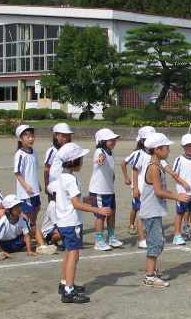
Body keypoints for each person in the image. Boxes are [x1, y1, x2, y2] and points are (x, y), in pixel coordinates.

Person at [56, 142, 113, 303]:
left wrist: (87, 200)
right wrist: (98, 210)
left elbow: (71, 200)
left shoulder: (62, 177)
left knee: (69, 253)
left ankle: (64, 283)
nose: (82, 161)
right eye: (80, 158)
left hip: (63, 221)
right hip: (72, 222)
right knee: (74, 255)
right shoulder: (71, 180)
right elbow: (76, 204)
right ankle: (69, 290)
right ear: (73, 161)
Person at [139, 133, 191, 288]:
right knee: (156, 242)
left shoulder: (158, 165)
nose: (168, 150)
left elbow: (163, 186)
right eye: (166, 147)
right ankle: (150, 276)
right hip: (151, 211)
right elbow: (158, 191)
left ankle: (152, 271)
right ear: (157, 150)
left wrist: (176, 192)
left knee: (157, 241)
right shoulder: (154, 168)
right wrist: (177, 196)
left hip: (154, 210)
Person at [14, 125, 49, 249]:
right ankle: (29, 238)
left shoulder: (33, 152)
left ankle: (32, 231)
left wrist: (37, 184)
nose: (31, 139)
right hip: (25, 192)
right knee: (26, 216)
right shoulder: (20, 154)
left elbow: (33, 171)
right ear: (20, 139)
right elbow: (17, 173)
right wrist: (26, 186)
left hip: (34, 190)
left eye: (32, 136)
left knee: (37, 208)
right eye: (27, 136)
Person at [89, 128, 122, 251]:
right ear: (102, 141)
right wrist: (101, 159)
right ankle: (99, 241)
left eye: (114, 139)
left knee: (112, 214)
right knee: (101, 215)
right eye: (110, 140)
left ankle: (111, 237)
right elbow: (99, 159)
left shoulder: (110, 152)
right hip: (99, 191)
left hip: (109, 190)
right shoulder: (100, 151)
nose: (113, 141)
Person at [121, 126, 155, 240]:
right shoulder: (138, 153)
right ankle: (131, 224)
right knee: (136, 208)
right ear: (142, 141)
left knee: (147, 208)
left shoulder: (155, 153)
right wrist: (127, 178)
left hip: (149, 187)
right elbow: (124, 163)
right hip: (139, 187)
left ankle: (145, 227)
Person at [0, 195, 34, 261]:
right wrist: (3, 252)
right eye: (16, 207)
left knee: (32, 230)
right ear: (8, 210)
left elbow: (27, 235)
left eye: (19, 206)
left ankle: (42, 246)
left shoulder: (23, 219)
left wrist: (29, 251)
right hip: (3, 245)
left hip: (16, 243)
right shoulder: (4, 221)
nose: (19, 209)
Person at [172, 133, 191, 246]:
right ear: (183, 147)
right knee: (180, 213)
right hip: (182, 192)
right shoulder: (179, 159)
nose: (190, 148)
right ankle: (177, 235)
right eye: (187, 146)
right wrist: (183, 183)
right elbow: (174, 175)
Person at [44, 122, 73, 193]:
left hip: (66, 185)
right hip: (54, 186)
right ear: (56, 136)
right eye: (63, 136)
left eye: (68, 136)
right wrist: (47, 185)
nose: (66, 138)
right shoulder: (52, 151)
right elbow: (47, 169)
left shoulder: (70, 150)